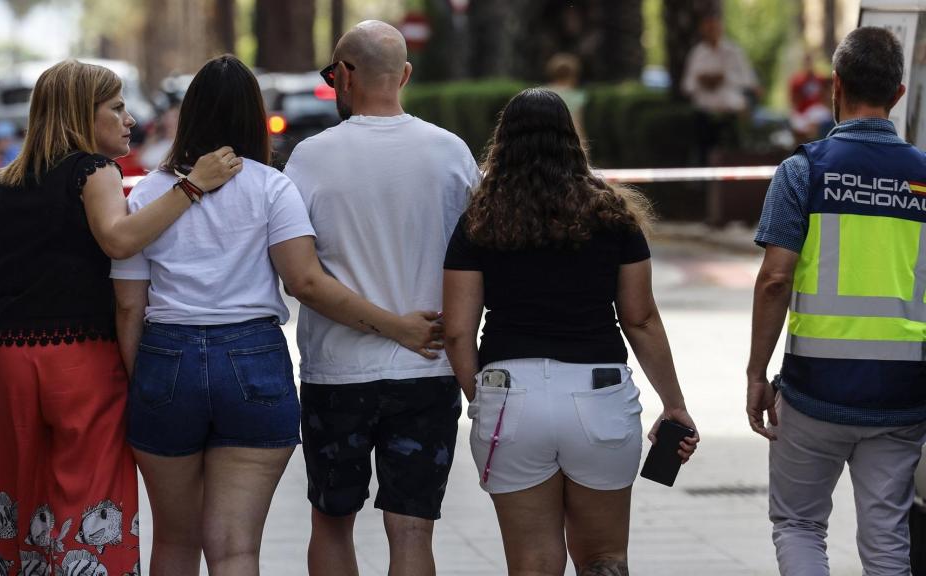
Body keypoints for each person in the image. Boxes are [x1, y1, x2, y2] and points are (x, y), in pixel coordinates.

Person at [109, 53, 443, 576]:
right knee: (235, 549)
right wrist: (399, 325)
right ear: (254, 115)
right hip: (253, 361)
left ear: (189, 113)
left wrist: (143, 380)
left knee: (174, 542)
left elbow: (129, 305)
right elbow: (304, 280)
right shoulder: (271, 187)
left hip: (165, 356)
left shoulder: (149, 195)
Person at [0, 59, 241, 576]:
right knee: (92, 497)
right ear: (81, 115)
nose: (129, 120)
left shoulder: (5, 185)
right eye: (116, 108)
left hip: (8, 359)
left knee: (23, 501)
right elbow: (118, 239)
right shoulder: (94, 171)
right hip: (79, 357)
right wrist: (192, 186)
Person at [443, 87, 699, 576]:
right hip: (599, 396)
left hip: (509, 396)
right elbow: (640, 318)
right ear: (571, 139)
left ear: (503, 142)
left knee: (533, 563)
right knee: (604, 559)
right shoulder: (612, 213)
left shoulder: (479, 219)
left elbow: (457, 332)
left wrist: (482, 398)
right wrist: (674, 404)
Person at [283, 20, 480, 576]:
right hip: (428, 369)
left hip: (336, 374)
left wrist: (392, 326)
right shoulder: (452, 154)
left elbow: (301, 279)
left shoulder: (309, 159)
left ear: (343, 76)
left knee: (331, 522)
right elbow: (481, 259)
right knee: (413, 532)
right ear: (406, 76)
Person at [747, 27, 926, 576]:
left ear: (836, 86)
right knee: (887, 536)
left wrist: (757, 374)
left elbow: (775, 279)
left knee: (800, 525)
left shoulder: (804, 171)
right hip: (903, 394)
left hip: (815, 390)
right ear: (898, 95)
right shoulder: (924, 178)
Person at [682, 14, 759, 161]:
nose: (712, 31)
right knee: (703, 155)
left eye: (715, 27)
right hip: (704, 114)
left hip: (731, 115)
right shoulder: (697, 54)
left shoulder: (734, 52)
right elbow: (687, 86)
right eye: (708, 28)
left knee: (734, 157)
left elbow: (749, 81)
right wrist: (704, 80)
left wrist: (723, 78)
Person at [788, 53, 832, 142]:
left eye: (810, 62)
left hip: (817, 111)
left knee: (823, 118)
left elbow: (826, 95)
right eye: (806, 62)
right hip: (802, 112)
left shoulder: (819, 78)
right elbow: (793, 100)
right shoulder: (797, 80)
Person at [544, 52, 586, 143]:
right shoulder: (576, 96)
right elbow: (577, 124)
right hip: (566, 140)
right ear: (573, 75)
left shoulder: (544, 92)